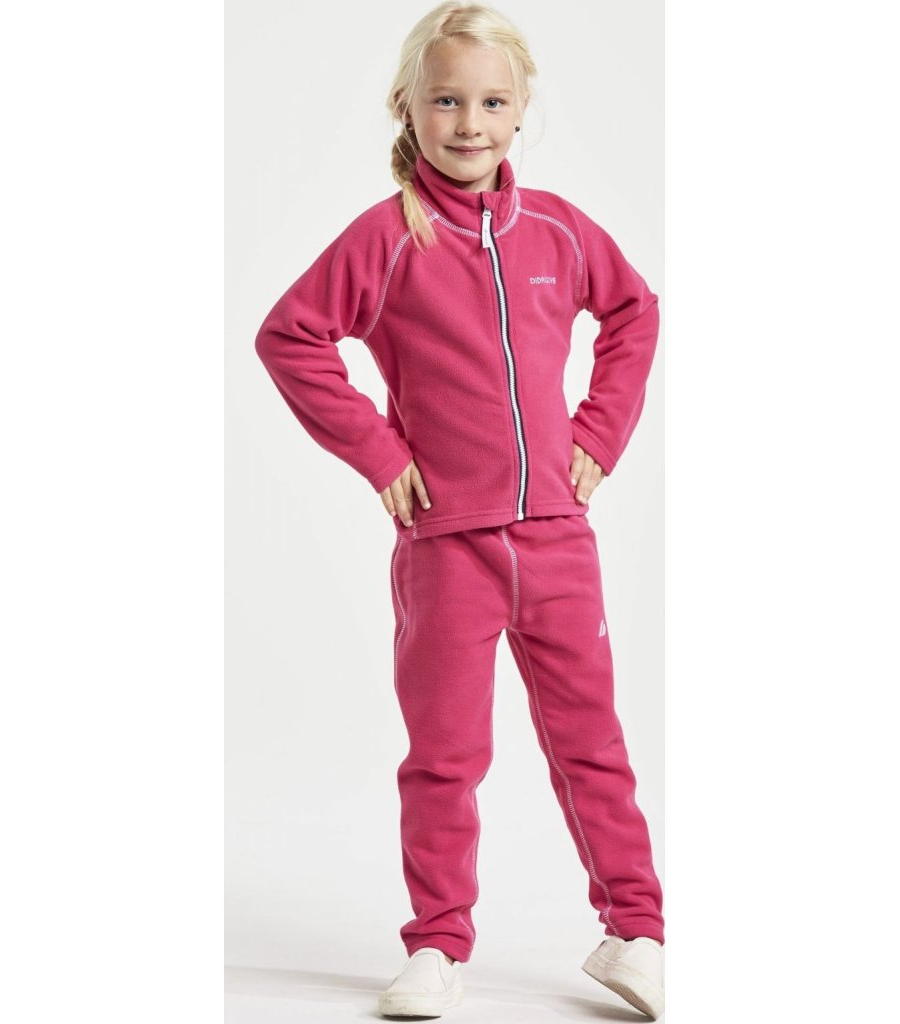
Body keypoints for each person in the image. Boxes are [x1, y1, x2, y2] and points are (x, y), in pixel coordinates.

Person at [254, 2, 665, 1018]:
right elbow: (289, 335)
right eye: (445, 101)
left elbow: (633, 310)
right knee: (444, 757)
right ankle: (437, 944)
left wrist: (598, 434)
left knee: (592, 744)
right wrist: (378, 452)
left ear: (521, 109)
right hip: (445, 548)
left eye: (489, 102)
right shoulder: (388, 238)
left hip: (558, 540)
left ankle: (635, 932)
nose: (468, 123)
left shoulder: (560, 230)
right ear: (408, 106)